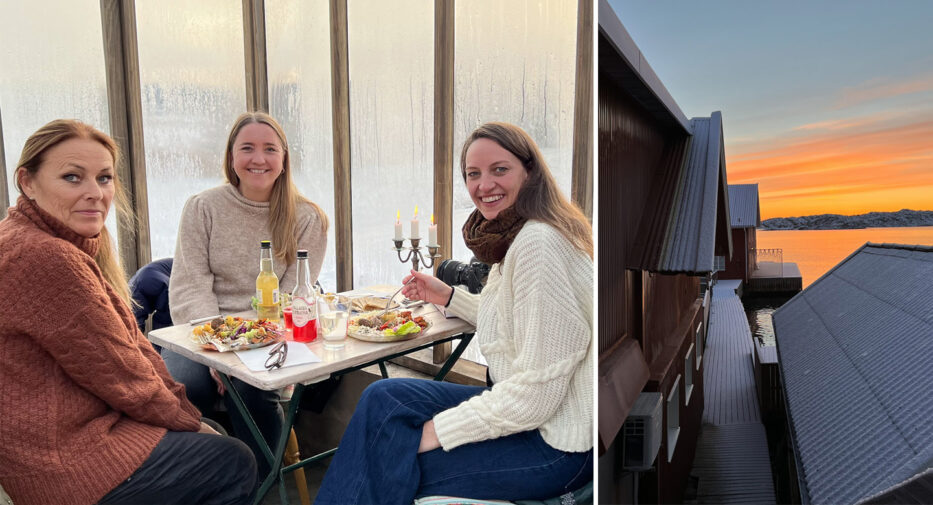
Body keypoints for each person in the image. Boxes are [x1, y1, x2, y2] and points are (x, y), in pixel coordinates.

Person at [315, 122, 593, 504]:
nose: (484, 185)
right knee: (384, 398)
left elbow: (534, 397)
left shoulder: (538, 245)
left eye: (500, 169)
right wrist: (448, 297)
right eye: (473, 174)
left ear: (530, 172)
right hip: (533, 414)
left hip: (556, 444)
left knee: (394, 460)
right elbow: (520, 322)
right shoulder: (515, 234)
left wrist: (432, 434)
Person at [0, 119, 256, 505]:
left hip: (47, 439)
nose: (95, 193)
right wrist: (190, 422)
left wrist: (186, 418)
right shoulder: (48, 257)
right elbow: (122, 371)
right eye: (72, 177)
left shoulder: (23, 237)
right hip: (62, 461)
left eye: (104, 178)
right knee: (233, 459)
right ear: (27, 182)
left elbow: (124, 352)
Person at [166, 111, 328, 476]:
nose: (259, 159)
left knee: (254, 388)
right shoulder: (202, 207)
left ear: (284, 159)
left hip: (268, 333)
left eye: (270, 149)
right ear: (231, 157)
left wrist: (240, 355)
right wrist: (217, 353)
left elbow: (291, 298)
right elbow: (191, 285)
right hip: (201, 330)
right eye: (248, 148)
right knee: (185, 387)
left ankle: (259, 482)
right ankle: (204, 481)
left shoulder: (307, 218)